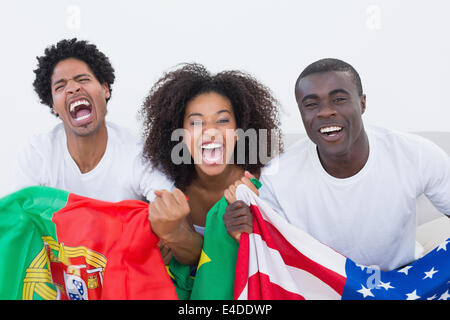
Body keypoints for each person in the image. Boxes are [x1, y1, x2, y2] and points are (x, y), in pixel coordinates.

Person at [225, 58, 450, 271]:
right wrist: (243, 230)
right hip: (323, 286)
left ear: (362, 103)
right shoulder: (277, 176)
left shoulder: (416, 154)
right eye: (311, 104)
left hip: (402, 281)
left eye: (339, 99)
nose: (325, 111)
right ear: (302, 113)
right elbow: (272, 253)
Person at [140, 63, 283, 265]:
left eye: (223, 120)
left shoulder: (265, 185)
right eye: (196, 122)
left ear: (240, 131)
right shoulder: (167, 188)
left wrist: (258, 230)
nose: (210, 131)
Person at [12, 38, 172, 202]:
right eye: (60, 86)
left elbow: (166, 204)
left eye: (83, 79)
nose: (73, 88)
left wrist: (166, 212)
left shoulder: (138, 154)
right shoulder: (37, 154)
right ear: (53, 105)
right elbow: (22, 219)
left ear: (105, 89)